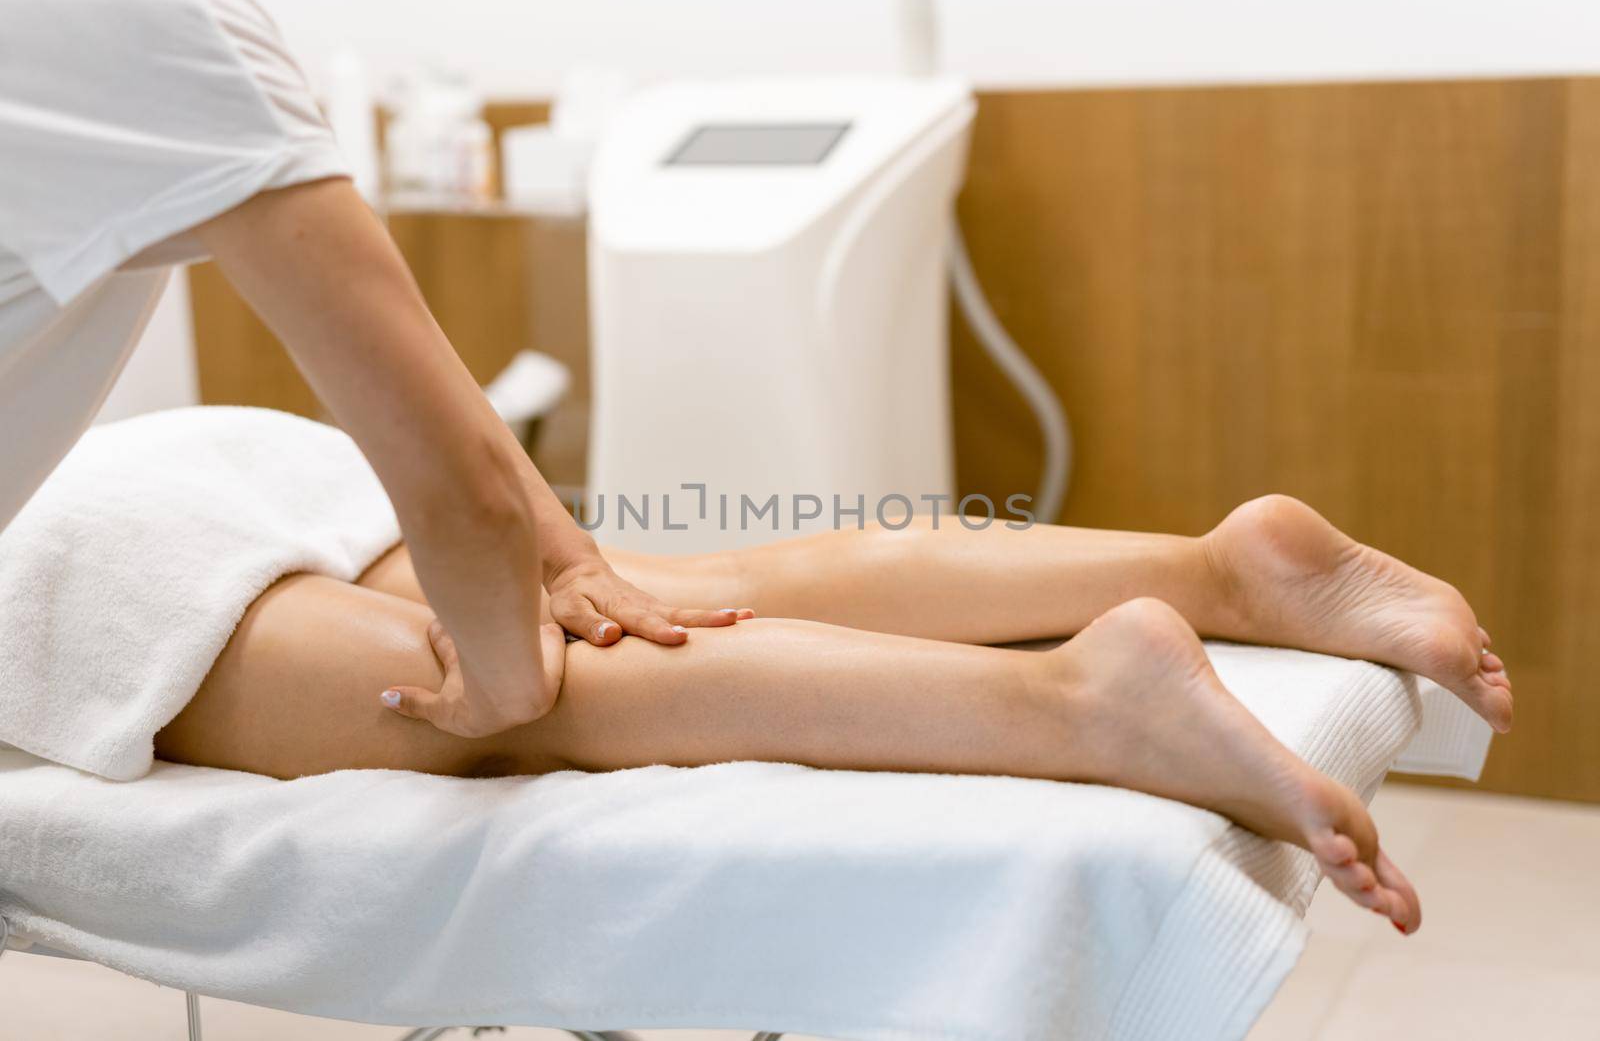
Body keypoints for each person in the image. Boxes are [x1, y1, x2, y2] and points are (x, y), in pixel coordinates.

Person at [154, 479, 1515, 937]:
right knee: (703, 584)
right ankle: (1224, 569)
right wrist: (555, 547)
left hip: (63, 553)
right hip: (213, 465)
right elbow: (412, 393)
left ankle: (1079, 699)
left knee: (546, 693)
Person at [0, 0, 735, 740]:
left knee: (675, 609)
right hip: (103, 529)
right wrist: (504, 683)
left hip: (160, 489)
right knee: (645, 653)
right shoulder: (147, 20)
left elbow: (443, 435)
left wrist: (566, 561)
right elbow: (468, 497)